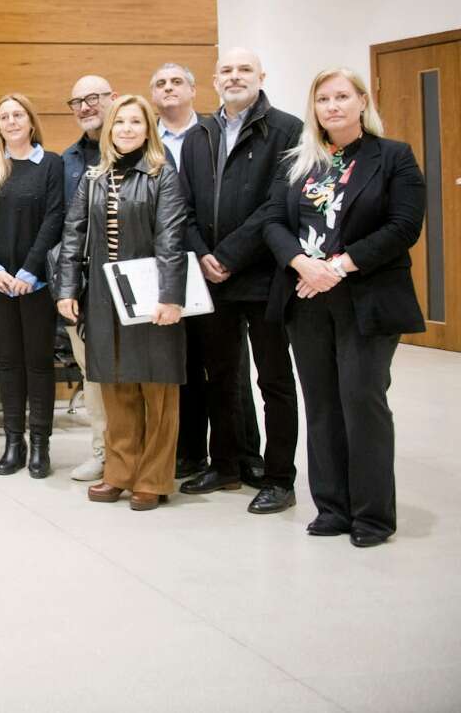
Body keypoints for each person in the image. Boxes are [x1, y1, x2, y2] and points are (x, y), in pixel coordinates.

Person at [263, 68, 423, 548]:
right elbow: (273, 221)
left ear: (362, 102)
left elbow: (403, 226)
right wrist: (300, 263)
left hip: (366, 297)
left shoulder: (392, 156)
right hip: (306, 297)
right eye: (323, 99)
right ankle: (332, 507)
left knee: (362, 401)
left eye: (341, 97)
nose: (332, 106)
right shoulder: (298, 161)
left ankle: (373, 516)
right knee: (322, 404)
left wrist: (337, 266)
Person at [178, 49, 304, 515]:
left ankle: (279, 478)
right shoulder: (199, 135)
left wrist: (229, 255)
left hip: (263, 274)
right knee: (221, 377)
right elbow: (184, 206)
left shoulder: (287, 129)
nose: (235, 77)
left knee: (273, 379)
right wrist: (203, 255)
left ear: (261, 76)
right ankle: (226, 464)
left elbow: (279, 202)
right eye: (227, 71)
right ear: (214, 80)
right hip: (211, 277)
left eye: (244, 70)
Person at [54, 94, 188, 511]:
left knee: (157, 387)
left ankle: (154, 479)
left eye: (135, 122)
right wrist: (67, 289)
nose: (127, 129)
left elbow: (171, 238)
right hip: (103, 294)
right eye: (120, 122)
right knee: (116, 385)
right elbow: (73, 235)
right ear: (109, 130)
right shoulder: (94, 176)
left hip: (151, 293)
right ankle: (120, 472)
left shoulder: (163, 174)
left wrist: (170, 296)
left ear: (148, 129)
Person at [0, 94, 66, 478]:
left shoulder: (50, 164)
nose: (11, 121)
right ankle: (14, 442)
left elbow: (55, 218)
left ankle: (40, 443)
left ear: (31, 121)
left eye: (17, 115)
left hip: (34, 283)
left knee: (38, 363)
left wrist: (29, 271)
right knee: (7, 363)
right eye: (4, 117)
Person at [59, 75, 114, 481]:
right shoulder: (68, 160)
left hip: (129, 281)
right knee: (91, 373)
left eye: (93, 98)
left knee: (136, 374)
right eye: (77, 101)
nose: (85, 107)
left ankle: (144, 456)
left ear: (113, 98)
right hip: (82, 285)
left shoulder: (139, 152)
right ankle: (103, 451)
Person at [150, 62, 200, 172]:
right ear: (153, 95)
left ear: (192, 91)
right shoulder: (146, 139)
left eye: (177, 82)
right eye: (161, 84)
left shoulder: (212, 132)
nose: (168, 88)